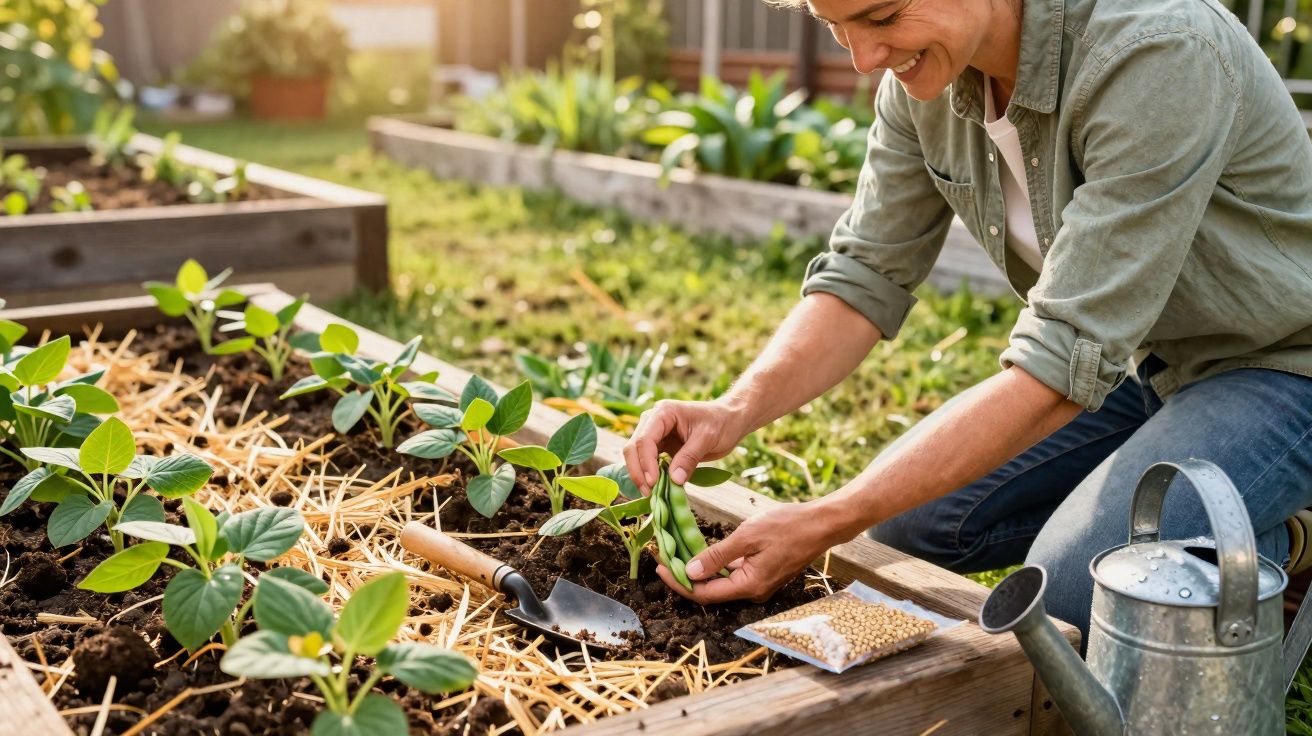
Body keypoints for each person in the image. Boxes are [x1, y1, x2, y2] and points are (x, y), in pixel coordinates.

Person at [623, 0, 1312, 645]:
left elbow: (1060, 360)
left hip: (1284, 363)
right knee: (894, 526)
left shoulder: (1158, 53)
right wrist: (731, 410)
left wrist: (828, 518)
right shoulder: (926, 84)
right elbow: (865, 275)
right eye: (836, 27)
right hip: (1143, 361)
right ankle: (1207, 504)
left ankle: (1270, 537)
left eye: (881, 16)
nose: (863, 57)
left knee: (1075, 590)